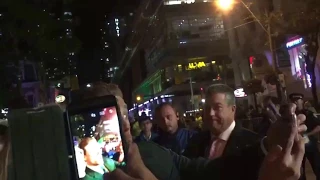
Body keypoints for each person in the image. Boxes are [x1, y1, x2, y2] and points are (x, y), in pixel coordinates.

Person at [79, 82, 306, 180]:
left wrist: (266, 147)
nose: (124, 123)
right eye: (110, 117)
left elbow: (206, 170)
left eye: (124, 112)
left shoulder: (149, 151)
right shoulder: (78, 171)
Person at [183, 84, 261, 159]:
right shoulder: (195, 142)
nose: (211, 113)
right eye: (207, 108)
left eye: (217, 107)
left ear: (233, 109)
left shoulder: (252, 144)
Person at [289, 93, 320, 180]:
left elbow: (318, 127)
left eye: (297, 100)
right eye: (293, 101)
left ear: (301, 101)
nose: (295, 103)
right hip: (296, 145)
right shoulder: (289, 116)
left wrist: (307, 135)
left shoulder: (308, 113)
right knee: (298, 170)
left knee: (317, 165)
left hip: (309, 143)